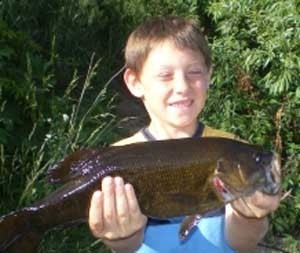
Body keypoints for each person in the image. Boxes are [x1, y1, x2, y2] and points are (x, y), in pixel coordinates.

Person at [88, 16, 281, 253]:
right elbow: (128, 248)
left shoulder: (233, 151)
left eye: (194, 72)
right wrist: (120, 237)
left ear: (209, 75)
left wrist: (251, 217)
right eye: (165, 75)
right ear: (135, 82)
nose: (182, 86)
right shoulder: (117, 160)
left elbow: (242, 244)